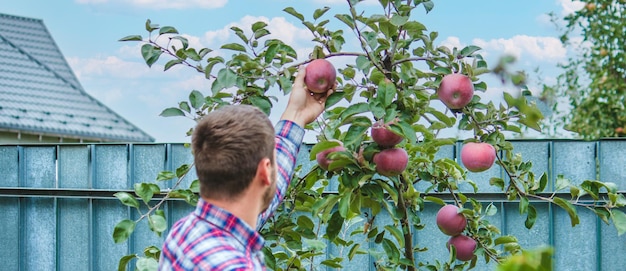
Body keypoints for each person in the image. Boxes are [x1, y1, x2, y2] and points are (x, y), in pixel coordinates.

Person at [158, 66, 333, 270]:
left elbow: (266, 189)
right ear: (265, 172)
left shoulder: (185, 232)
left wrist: (297, 115)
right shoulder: (237, 266)